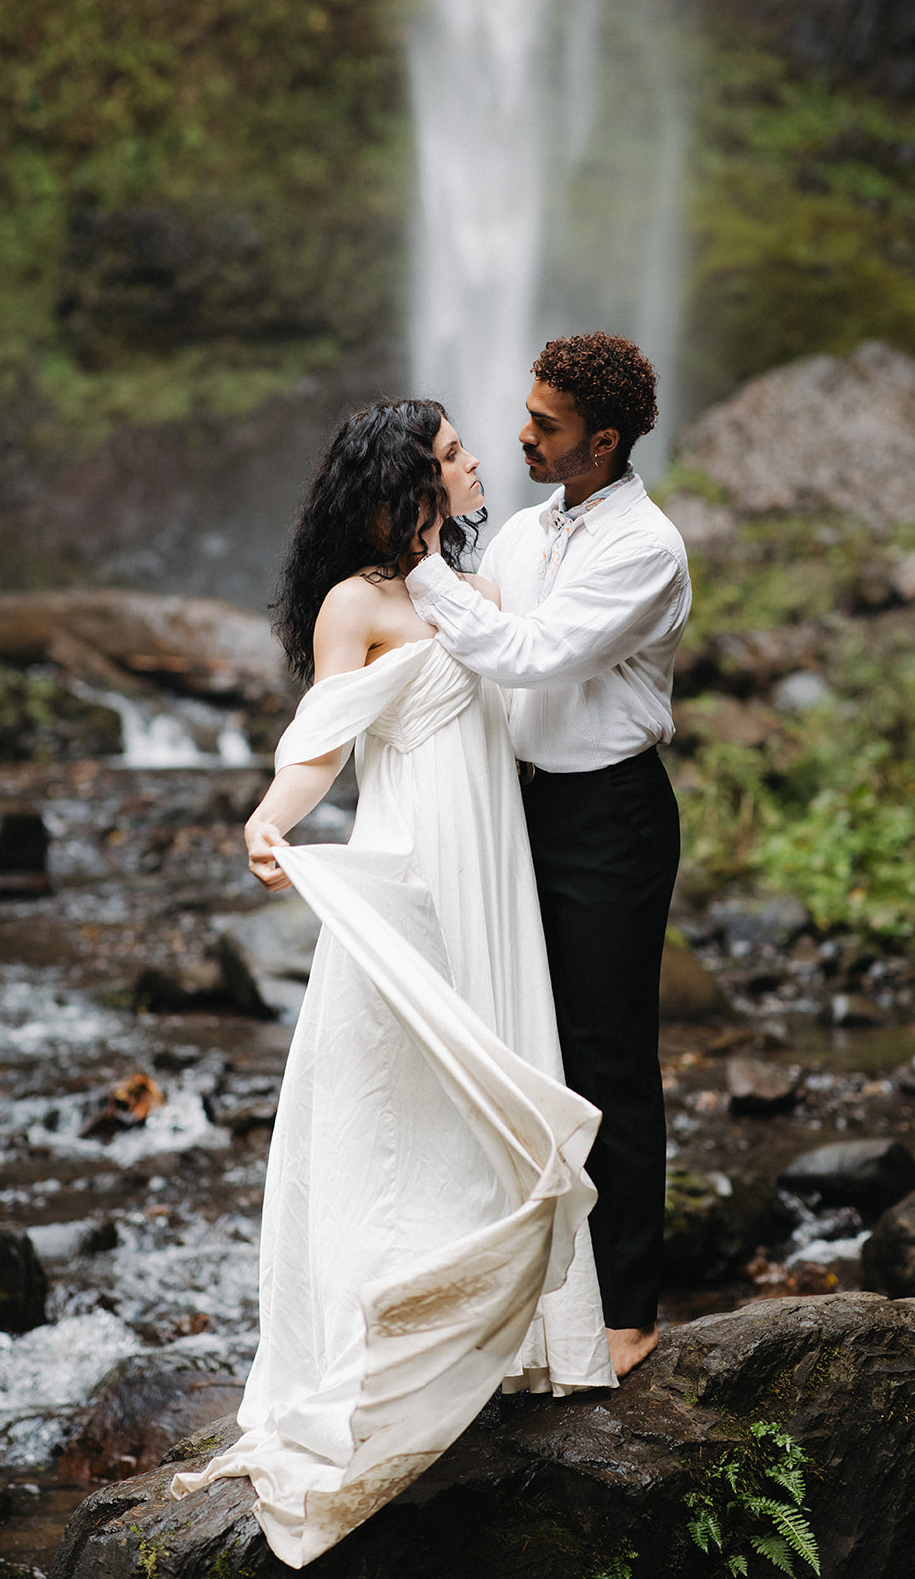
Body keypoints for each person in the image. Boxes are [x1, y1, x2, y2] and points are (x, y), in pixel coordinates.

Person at [169, 399, 614, 1569]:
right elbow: (325, 732)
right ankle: (379, 1345)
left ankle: (513, 1339)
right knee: (391, 1103)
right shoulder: (354, 603)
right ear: (399, 483)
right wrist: (269, 818)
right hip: (414, 868)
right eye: (457, 454)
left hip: (493, 867)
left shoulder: (469, 586)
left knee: (493, 1075)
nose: (476, 465)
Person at [406, 333, 691, 1379]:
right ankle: (536, 1290)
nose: (519, 434)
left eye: (545, 425)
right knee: (524, 1039)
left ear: (603, 440)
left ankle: (628, 1309)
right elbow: (479, 624)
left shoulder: (645, 548)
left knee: (608, 1056)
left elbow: (528, 654)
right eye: (525, 415)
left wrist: (420, 573)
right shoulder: (529, 531)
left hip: (609, 818)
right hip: (519, 805)